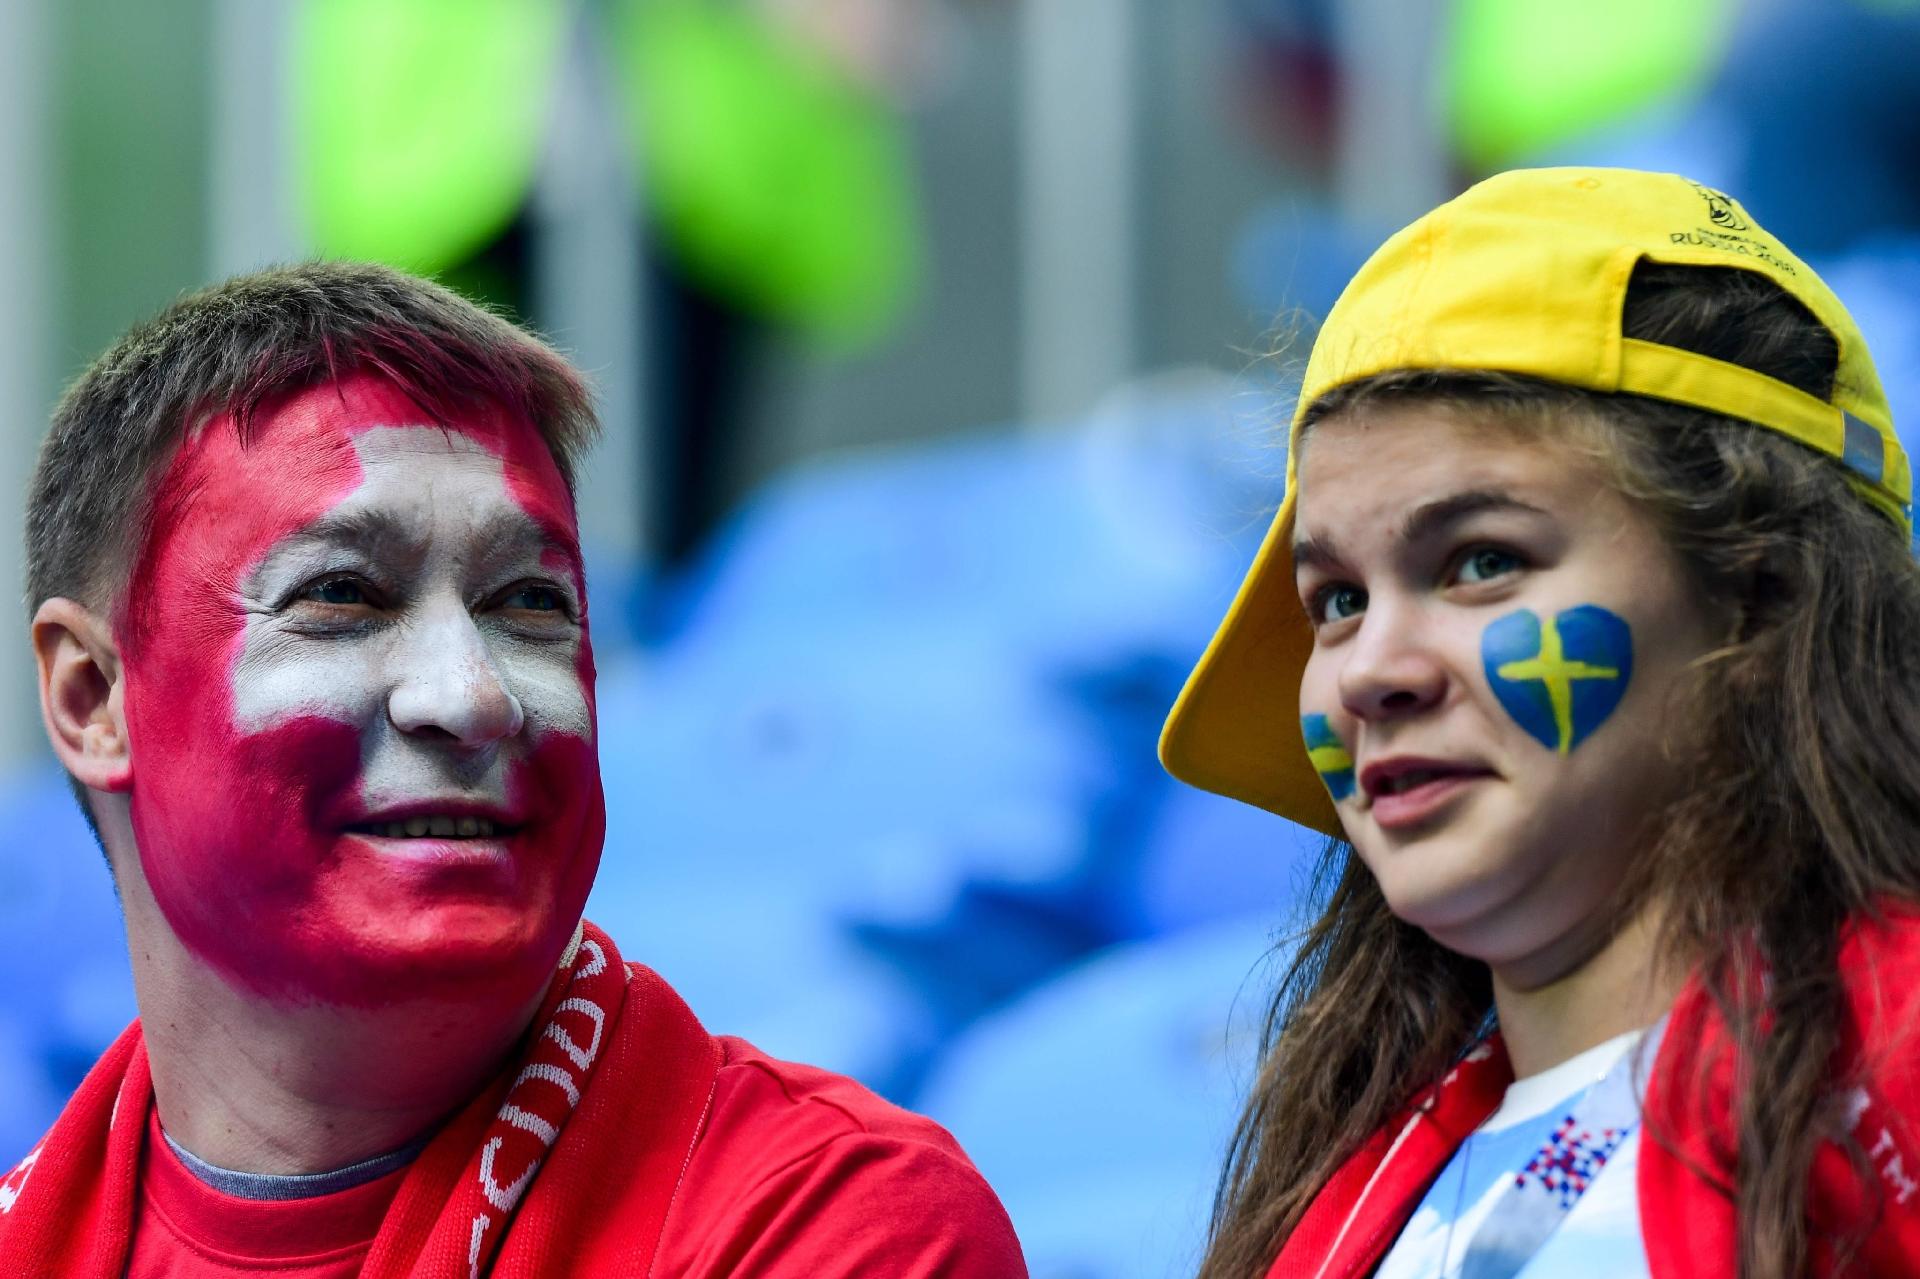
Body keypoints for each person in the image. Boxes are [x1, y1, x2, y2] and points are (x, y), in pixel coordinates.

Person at [0, 262, 1027, 1278]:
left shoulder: (830, 1225)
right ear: (93, 698)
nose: (474, 694)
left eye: (529, 605)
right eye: (346, 594)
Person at [1158, 167, 1920, 1278]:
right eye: (1338, 600)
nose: (1371, 671)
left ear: (1760, 595)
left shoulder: (1892, 1065)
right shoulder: (1351, 1184)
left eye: (1480, 562)